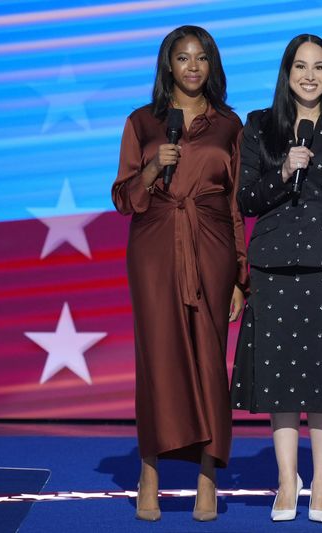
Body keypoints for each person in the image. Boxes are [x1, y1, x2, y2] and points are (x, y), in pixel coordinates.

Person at [230, 34, 322, 523]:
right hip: (272, 267)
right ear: (286, 72)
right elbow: (245, 200)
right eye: (300, 67)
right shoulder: (259, 125)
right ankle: (287, 480)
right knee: (279, 380)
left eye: (319, 68)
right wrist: (282, 170)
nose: (309, 76)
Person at [111, 25, 247, 523]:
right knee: (158, 359)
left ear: (212, 66)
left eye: (202, 58)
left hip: (210, 248)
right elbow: (123, 198)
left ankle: (207, 477)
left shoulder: (229, 125)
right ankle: (150, 472)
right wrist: (151, 170)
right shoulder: (142, 122)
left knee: (211, 360)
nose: (193, 67)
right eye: (183, 58)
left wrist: (238, 275)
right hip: (152, 249)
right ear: (168, 64)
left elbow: (235, 206)